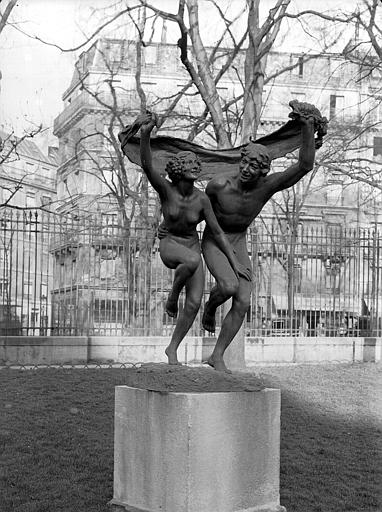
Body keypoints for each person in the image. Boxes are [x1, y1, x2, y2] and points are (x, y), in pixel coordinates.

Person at [201, 101, 327, 372]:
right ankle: (210, 307)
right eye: (244, 163)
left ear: (263, 172)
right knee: (227, 287)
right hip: (214, 238)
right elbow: (199, 212)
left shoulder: (267, 187)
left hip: (238, 240)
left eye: (253, 166)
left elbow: (304, 166)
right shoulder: (218, 185)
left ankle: (217, 355)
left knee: (243, 300)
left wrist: (306, 127)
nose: (246, 169)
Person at [137, 112, 251, 365]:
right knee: (189, 261)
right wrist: (145, 135)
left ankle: (172, 349)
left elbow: (218, 232)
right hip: (170, 245)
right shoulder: (166, 189)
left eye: (196, 165)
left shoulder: (202, 199)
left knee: (194, 303)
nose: (195, 168)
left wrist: (235, 263)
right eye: (190, 164)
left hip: (191, 246)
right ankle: (171, 296)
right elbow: (147, 164)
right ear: (179, 169)